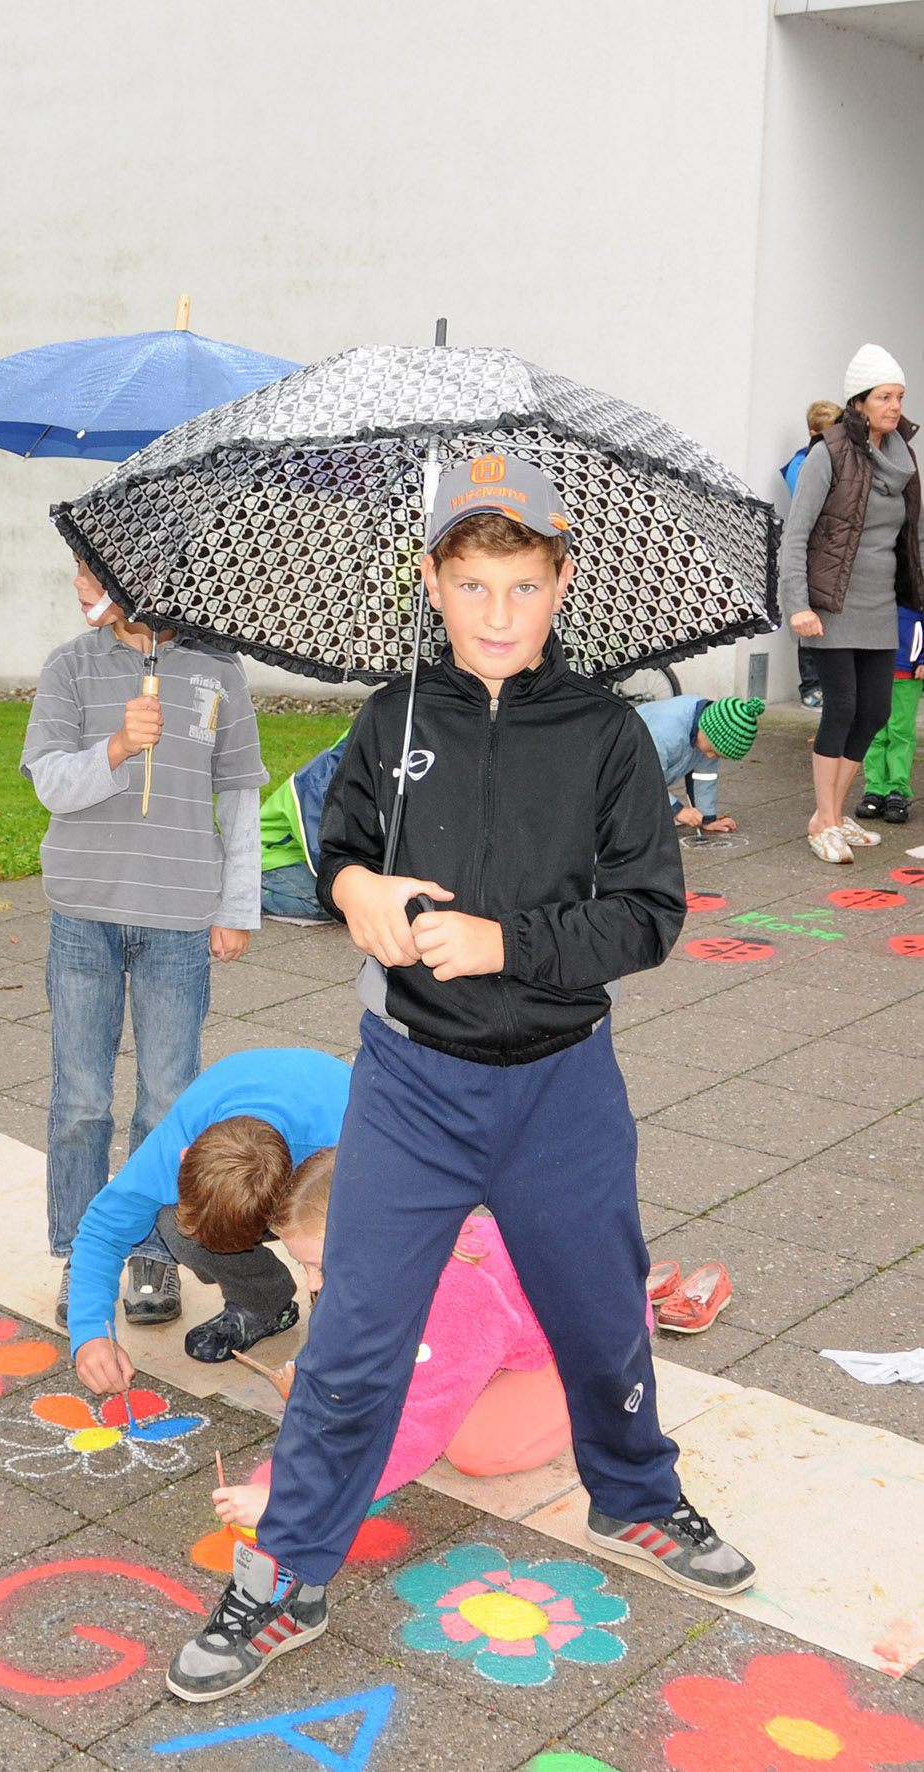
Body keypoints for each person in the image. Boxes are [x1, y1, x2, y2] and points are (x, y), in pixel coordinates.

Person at [160, 455, 752, 1708]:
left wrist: (505, 943)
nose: (496, 611)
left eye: (522, 585)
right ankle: (288, 1572)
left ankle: (634, 1494)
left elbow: (648, 913)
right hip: (411, 1083)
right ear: (430, 580)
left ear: (560, 582)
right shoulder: (392, 717)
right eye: (472, 583)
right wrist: (354, 888)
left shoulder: (602, 732)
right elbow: (334, 840)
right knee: (355, 1336)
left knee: (599, 1307)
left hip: (558, 1083)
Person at [23, 556, 267, 1334]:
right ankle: (81, 1252)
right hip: (83, 912)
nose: (77, 586)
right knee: (80, 1100)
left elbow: (238, 795)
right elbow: (49, 784)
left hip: (177, 919)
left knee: (166, 1100)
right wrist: (118, 748)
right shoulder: (68, 667)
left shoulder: (216, 672)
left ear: (140, 577)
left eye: (89, 573)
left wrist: (236, 906)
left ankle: (151, 1252)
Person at [203, 1156, 608, 1532]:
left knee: (474, 1446)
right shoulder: (389, 1254)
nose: (311, 1282)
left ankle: (602, 1403)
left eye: (321, 1266)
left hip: (583, 1343)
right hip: (507, 1326)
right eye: (302, 1265)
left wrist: (294, 1502)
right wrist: (272, 1482)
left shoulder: (453, 1293)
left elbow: (419, 1428)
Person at [65, 1046, 348, 1364]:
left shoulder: (349, 1143)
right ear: (185, 1157)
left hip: (329, 1136)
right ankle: (263, 1302)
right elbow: (103, 1231)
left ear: (282, 1198)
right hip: (287, 1127)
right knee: (175, 1227)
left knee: (342, 1262)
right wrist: (91, 1333)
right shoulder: (175, 1140)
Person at [780, 347, 921, 864]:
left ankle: (833, 817)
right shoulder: (830, 452)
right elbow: (797, 534)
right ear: (858, 402)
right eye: (884, 397)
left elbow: (912, 538)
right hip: (832, 603)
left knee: (876, 710)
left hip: (881, 604)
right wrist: (797, 604)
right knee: (842, 707)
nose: (895, 405)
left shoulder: (904, 459)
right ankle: (823, 820)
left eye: (899, 396)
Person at [784, 399, 844, 713]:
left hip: (833, 558)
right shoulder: (802, 465)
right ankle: (810, 687)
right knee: (808, 626)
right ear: (813, 433)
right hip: (813, 557)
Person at [635, 695, 762, 834]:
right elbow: (644, 776)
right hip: (619, 773)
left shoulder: (708, 726)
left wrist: (706, 818)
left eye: (717, 755)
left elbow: (705, 777)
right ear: (711, 732)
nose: (711, 756)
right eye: (713, 751)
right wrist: (677, 810)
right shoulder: (663, 735)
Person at [257, 737, 346, 923]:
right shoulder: (318, 785)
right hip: (272, 856)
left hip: (297, 855)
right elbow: (322, 854)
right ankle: (243, 896)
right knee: (324, 901)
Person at [857, 605, 923, 823]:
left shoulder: (915, 592)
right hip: (873, 667)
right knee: (873, 732)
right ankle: (875, 787)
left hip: (907, 671)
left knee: (901, 732)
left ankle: (897, 788)